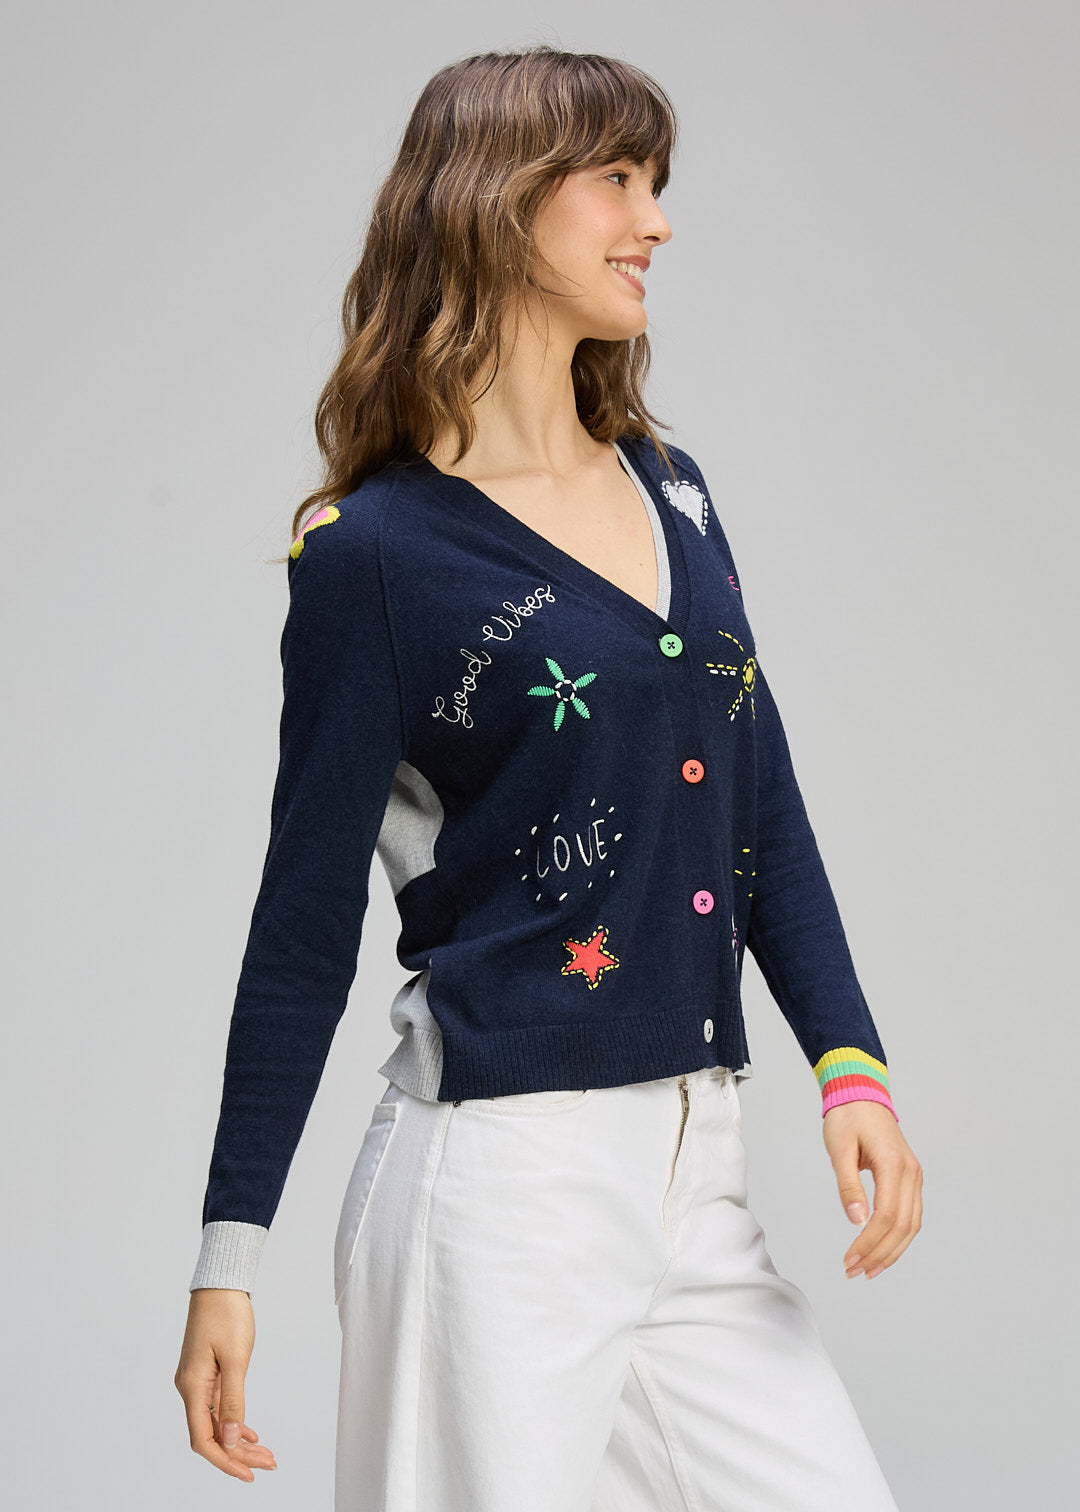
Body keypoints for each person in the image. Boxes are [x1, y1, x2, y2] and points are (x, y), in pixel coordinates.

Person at [174, 45, 922, 1510]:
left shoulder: (673, 489)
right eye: (619, 179)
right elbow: (305, 919)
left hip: (697, 1169)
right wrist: (229, 1253)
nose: (657, 220)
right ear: (497, 200)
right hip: (501, 1191)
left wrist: (852, 1063)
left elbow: (759, 801)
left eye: (658, 181)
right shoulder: (374, 557)